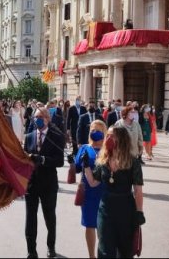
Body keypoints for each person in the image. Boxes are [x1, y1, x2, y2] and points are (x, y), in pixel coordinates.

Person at [84, 126, 145, 258]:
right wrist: (86, 166)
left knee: (125, 251)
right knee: (105, 249)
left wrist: (139, 212)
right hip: (106, 210)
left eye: (112, 136)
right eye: (108, 136)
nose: (108, 139)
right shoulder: (102, 160)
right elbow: (93, 182)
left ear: (121, 139)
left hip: (126, 210)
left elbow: (138, 190)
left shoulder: (132, 161)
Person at [24, 107, 65, 258]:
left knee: (49, 217)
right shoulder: (28, 137)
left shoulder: (56, 136)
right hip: (31, 183)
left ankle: (51, 246)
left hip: (48, 184)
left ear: (48, 119)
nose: (37, 119)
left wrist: (43, 159)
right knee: (30, 217)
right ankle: (31, 250)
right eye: (35, 117)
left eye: (41, 116)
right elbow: (23, 160)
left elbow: (60, 161)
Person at [74, 120, 107, 258]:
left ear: (104, 132)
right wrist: (76, 160)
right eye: (93, 130)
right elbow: (76, 169)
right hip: (88, 192)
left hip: (105, 191)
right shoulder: (84, 148)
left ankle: (103, 253)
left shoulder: (109, 149)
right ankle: (91, 256)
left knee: (104, 226)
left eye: (99, 130)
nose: (96, 132)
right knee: (90, 224)